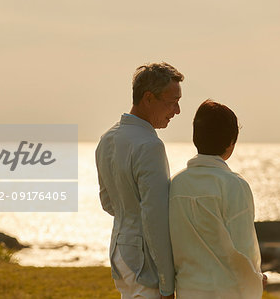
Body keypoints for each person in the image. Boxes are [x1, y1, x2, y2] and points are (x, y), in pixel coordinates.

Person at [95, 62, 184, 299]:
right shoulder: (150, 145)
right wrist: (167, 284)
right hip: (145, 264)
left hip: (120, 254)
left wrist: (129, 215)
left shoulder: (107, 138)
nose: (177, 110)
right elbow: (155, 219)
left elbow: (107, 202)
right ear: (148, 98)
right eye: (172, 101)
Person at [169, 100, 265, 299]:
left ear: (196, 137)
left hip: (187, 291)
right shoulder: (234, 185)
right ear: (231, 142)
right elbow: (244, 248)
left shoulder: (175, 184)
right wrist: (257, 278)